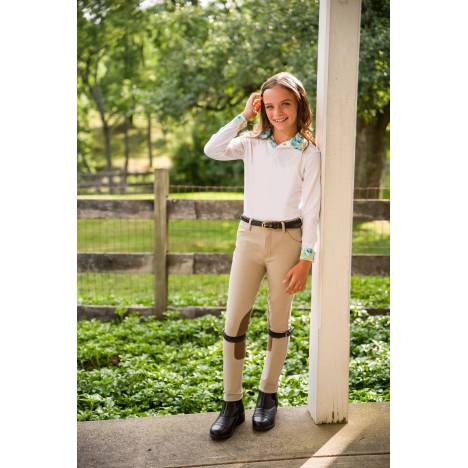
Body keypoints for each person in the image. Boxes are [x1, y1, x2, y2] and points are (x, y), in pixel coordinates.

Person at [203, 71, 321, 440]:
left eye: (285, 103)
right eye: (269, 106)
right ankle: (231, 403)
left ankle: (267, 395)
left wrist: (307, 260)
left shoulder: (308, 152)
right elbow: (213, 148)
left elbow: (314, 209)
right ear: (261, 108)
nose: (277, 112)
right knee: (235, 319)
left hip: (288, 240)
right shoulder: (251, 143)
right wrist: (243, 116)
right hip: (249, 237)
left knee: (278, 321)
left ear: (299, 104)